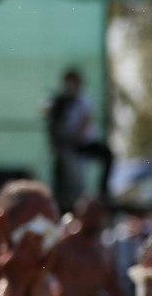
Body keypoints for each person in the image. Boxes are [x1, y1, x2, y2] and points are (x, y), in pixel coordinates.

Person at [46, 68, 114, 210]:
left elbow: (86, 119)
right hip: (69, 144)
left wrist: (77, 136)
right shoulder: (62, 100)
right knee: (65, 175)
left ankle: (103, 192)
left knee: (107, 155)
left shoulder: (84, 98)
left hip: (83, 142)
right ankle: (61, 199)